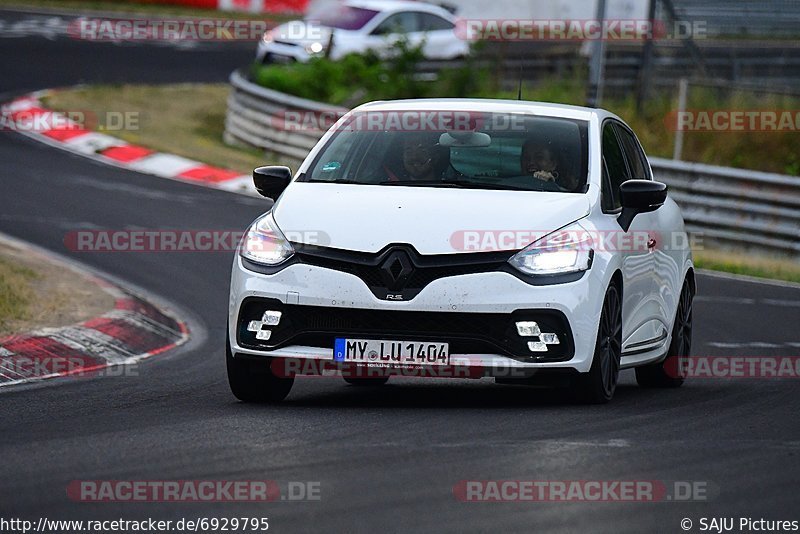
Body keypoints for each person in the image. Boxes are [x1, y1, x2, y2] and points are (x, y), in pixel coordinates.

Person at [384, 135, 450, 182]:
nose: (414, 157)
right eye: (408, 151)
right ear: (402, 157)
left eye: (422, 150)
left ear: (435, 157)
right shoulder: (390, 190)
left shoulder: (451, 190)